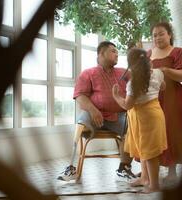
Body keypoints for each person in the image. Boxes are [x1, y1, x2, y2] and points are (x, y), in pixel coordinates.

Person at [57, 41, 136, 182]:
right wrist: (93, 110)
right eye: (113, 51)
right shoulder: (88, 73)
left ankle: (123, 168)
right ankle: (71, 167)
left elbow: (139, 86)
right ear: (101, 54)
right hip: (93, 115)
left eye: (117, 51)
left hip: (119, 116)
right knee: (81, 124)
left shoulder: (125, 72)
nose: (117, 53)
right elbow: (80, 96)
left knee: (132, 125)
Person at [112, 48, 167, 193]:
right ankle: (144, 178)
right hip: (155, 114)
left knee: (150, 154)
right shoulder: (159, 73)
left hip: (144, 118)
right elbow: (163, 87)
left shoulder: (133, 83)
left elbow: (127, 105)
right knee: (145, 150)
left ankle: (154, 185)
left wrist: (116, 96)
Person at [149, 22, 182, 181]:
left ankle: (172, 171)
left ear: (169, 35)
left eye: (161, 33)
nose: (157, 37)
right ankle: (150, 170)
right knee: (151, 132)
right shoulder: (148, 54)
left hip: (173, 97)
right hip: (152, 98)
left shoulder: (179, 52)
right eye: (154, 35)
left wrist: (167, 70)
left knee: (171, 130)